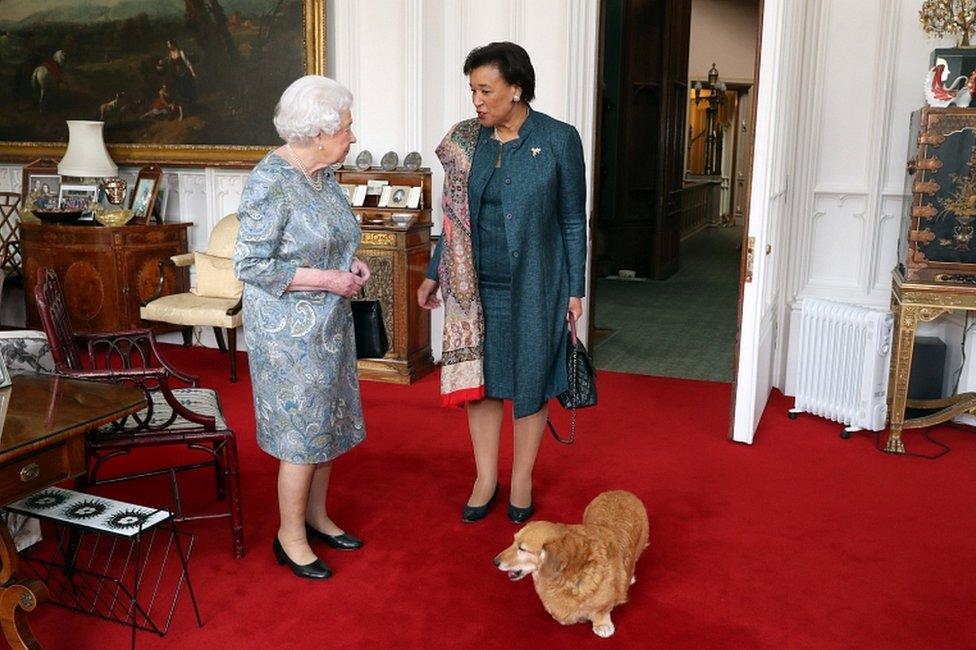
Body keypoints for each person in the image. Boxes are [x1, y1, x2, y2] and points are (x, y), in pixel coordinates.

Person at [417, 42, 587, 524]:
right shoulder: (467, 140)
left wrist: (575, 290)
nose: (477, 101)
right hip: (475, 288)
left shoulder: (558, 139)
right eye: (472, 90)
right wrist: (434, 274)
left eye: (486, 90)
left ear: (516, 88)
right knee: (483, 381)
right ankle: (485, 477)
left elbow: (573, 220)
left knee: (530, 378)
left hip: (537, 284)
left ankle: (523, 478)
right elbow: (453, 219)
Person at [234, 75, 370, 580]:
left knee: (327, 423)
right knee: (301, 432)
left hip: (329, 323)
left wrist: (351, 265)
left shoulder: (323, 175)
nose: (353, 136)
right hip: (288, 333)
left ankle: (316, 516)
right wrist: (327, 278)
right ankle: (289, 536)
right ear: (319, 133)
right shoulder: (271, 180)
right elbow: (250, 264)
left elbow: (334, 237)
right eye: (347, 128)